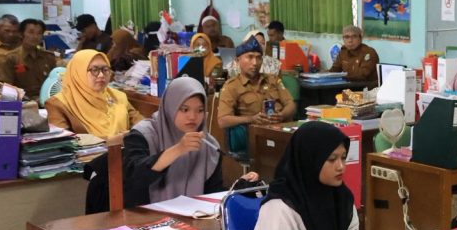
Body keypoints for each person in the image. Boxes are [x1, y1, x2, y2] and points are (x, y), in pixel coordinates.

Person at [246, 121, 368, 230]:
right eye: (332, 159)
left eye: (343, 157)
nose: (341, 166)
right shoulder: (279, 210)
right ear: (310, 160)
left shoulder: (342, 199)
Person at [121, 76, 256, 208]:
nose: (192, 117)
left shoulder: (209, 144)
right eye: (184, 109)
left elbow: (212, 194)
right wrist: (178, 149)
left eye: (200, 110)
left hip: (193, 219)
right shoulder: (143, 134)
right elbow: (133, 178)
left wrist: (239, 187)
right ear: (170, 107)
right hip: (143, 218)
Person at [45, 49, 143, 140]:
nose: (101, 75)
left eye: (105, 69)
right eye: (94, 70)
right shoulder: (58, 104)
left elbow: (141, 125)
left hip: (123, 153)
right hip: (88, 157)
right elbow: (63, 143)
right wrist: (117, 139)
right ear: (78, 73)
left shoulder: (118, 96)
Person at [217, 39, 295, 152]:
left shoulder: (272, 80)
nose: (255, 62)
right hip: (254, 138)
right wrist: (251, 119)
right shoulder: (231, 86)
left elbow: (291, 104)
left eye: (259, 58)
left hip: (281, 131)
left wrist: (282, 115)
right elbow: (223, 120)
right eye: (250, 57)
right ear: (237, 60)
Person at [0, 18, 57, 101]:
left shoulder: (48, 57)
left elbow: (55, 83)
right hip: (23, 102)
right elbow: (7, 87)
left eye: (39, 33)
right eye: (31, 32)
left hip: (47, 101)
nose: (35, 37)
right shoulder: (12, 58)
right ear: (21, 34)